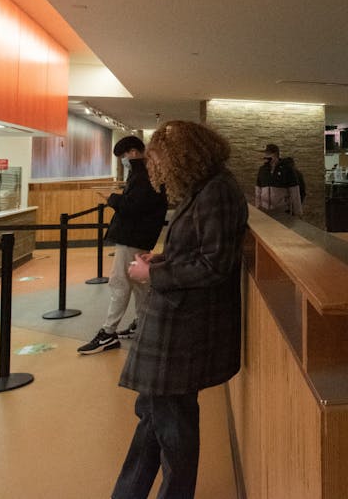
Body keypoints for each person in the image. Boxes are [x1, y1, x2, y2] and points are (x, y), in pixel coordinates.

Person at [112, 121, 248, 499]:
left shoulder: (216, 191)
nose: (157, 168)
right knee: (155, 415)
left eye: (160, 160)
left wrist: (153, 274)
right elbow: (201, 253)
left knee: (171, 426)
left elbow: (214, 265)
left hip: (185, 326)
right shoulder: (207, 188)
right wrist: (161, 259)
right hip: (180, 321)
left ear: (183, 156)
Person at [78, 135, 167, 355]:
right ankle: (143, 323)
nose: (123, 161)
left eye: (123, 156)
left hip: (132, 237)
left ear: (133, 152)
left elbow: (133, 207)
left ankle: (108, 332)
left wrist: (112, 198)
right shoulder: (148, 173)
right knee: (139, 283)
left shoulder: (142, 174)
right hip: (140, 237)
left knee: (120, 282)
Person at [255, 143, 303, 216]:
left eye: (267, 154)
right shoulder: (262, 170)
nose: (264, 156)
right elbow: (258, 190)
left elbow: (295, 192)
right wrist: (257, 208)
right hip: (265, 211)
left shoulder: (287, 169)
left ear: (275, 154)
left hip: (282, 211)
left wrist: (298, 212)